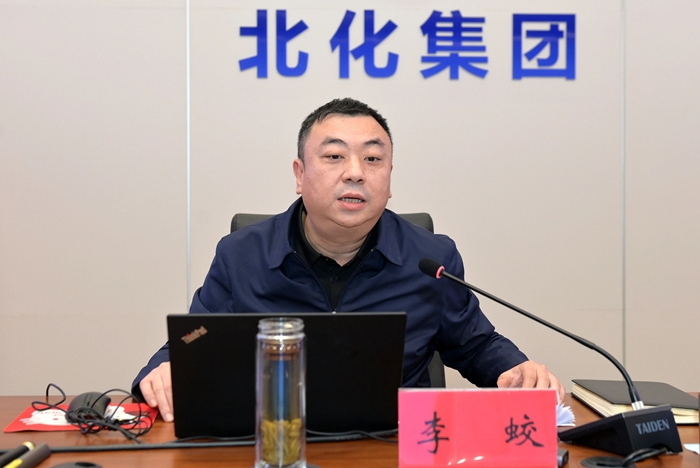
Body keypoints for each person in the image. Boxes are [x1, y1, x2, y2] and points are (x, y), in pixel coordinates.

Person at [133, 97, 564, 422]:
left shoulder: (430, 259)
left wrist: (515, 370)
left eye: (373, 159)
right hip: (274, 445)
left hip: (394, 448)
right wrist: (166, 368)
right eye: (335, 156)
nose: (356, 172)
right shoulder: (241, 255)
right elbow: (192, 340)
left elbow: (475, 344)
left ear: (389, 178)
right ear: (300, 174)